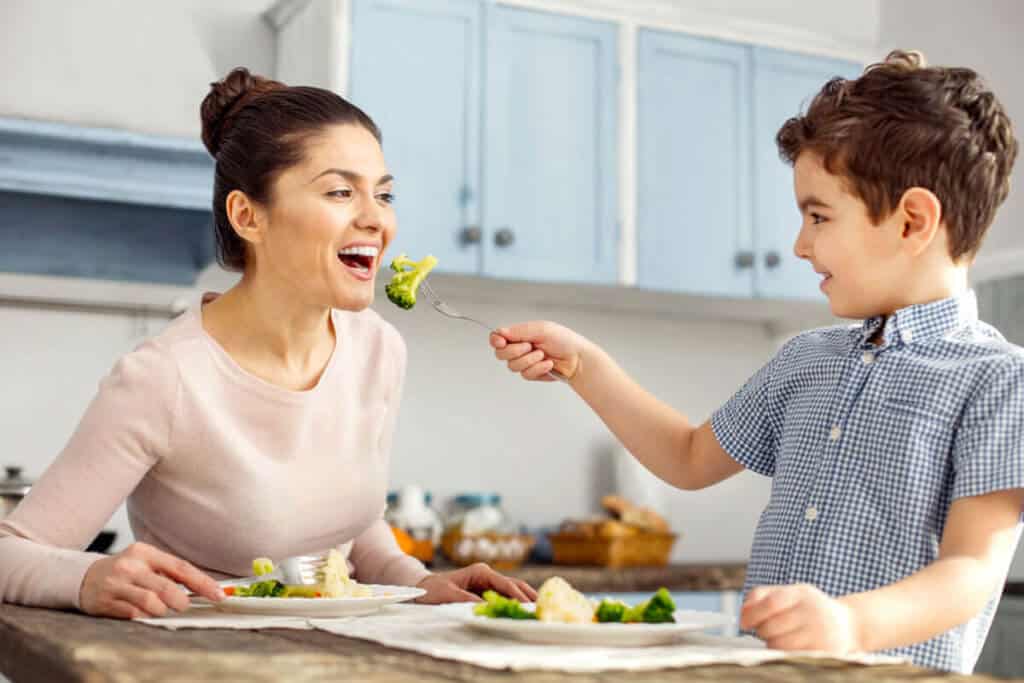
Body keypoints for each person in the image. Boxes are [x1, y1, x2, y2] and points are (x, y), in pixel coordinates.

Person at [489, 50, 1021, 673]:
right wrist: (583, 364)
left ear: (912, 221)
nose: (799, 244)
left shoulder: (999, 379)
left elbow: (971, 570)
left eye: (818, 216)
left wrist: (850, 623)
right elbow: (687, 458)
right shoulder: (805, 359)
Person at [0, 67, 535, 618]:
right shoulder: (164, 378)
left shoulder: (378, 349)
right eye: (340, 191)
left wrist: (423, 583)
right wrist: (87, 577)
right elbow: (10, 553)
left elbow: (353, 537)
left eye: (384, 193)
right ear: (247, 215)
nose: (377, 218)